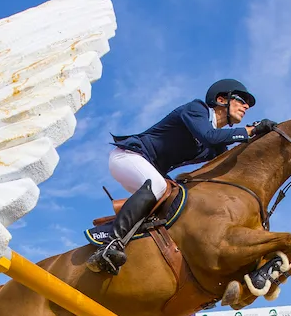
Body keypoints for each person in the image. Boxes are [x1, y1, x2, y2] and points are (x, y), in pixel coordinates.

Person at [87, 78, 278, 274]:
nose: (246, 107)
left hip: (149, 170)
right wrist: (250, 130)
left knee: (178, 203)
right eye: (241, 100)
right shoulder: (196, 109)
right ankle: (111, 243)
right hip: (129, 157)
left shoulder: (216, 143)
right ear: (221, 100)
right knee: (158, 186)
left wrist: (260, 140)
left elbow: (229, 161)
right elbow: (210, 136)